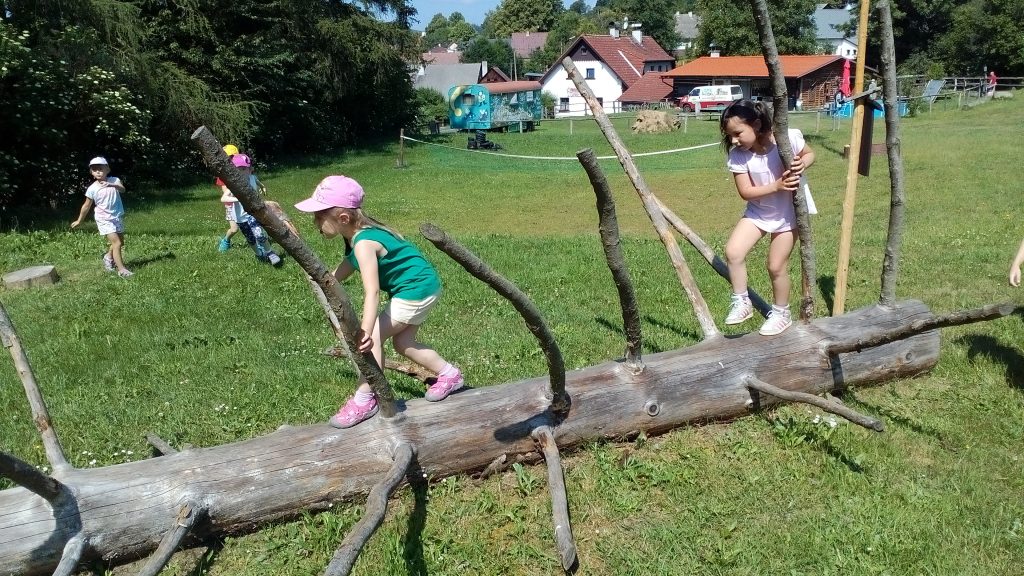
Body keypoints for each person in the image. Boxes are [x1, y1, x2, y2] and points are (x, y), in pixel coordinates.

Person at [294, 175, 463, 428]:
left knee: (372, 338)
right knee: (404, 343)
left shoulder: (364, 243)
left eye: (319, 216)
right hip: (423, 285)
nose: (315, 222)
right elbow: (349, 263)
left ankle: (365, 398)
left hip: (415, 290)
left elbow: (372, 292)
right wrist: (326, 279)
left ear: (343, 218)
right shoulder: (358, 235)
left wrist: (366, 329)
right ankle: (450, 374)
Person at [719, 99, 816, 336]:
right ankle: (742, 302)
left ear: (757, 124)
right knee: (733, 252)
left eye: (738, 133)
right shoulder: (739, 155)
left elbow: (810, 154)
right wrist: (777, 186)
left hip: (788, 215)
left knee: (775, 265)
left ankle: (782, 313)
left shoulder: (787, 138)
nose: (734, 140)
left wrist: (802, 163)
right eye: (730, 136)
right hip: (758, 212)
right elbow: (746, 192)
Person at [71, 157, 133, 277]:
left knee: (121, 242)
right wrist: (79, 220)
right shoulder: (92, 189)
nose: (98, 172)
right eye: (94, 170)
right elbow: (86, 206)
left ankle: (108, 257)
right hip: (103, 219)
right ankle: (121, 270)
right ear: (91, 172)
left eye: (100, 169)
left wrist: (112, 185)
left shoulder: (115, 180)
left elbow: (123, 190)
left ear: (107, 169)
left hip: (116, 216)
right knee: (117, 243)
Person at [220, 154, 282, 267]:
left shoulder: (252, 178)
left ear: (249, 169)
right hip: (240, 218)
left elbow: (257, 181)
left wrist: (262, 187)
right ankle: (259, 254)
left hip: (252, 213)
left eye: (243, 169)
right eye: (237, 170)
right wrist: (238, 198)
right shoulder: (234, 184)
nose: (241, 172)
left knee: (259, 233)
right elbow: (223, 198)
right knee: (250, 239)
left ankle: (270, 253)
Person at [216, 144, 267, 252]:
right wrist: (238, 196)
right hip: (231, 206)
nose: (229, 161)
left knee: (255, 223)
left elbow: (254, 179)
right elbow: (226, 192)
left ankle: (260, 244)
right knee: (234, 229)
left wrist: (262, 187)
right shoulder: (224, 175)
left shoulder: (242, 172)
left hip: (246, 205)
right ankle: (226, 241)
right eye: (227, 158)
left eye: (231, 158)